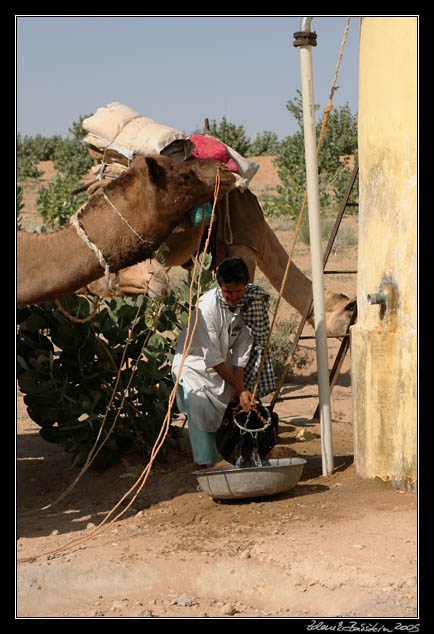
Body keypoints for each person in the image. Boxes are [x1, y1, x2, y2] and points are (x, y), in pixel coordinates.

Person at [172, 256, 276, 467]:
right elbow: (212, 357)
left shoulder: (248, 304)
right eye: (229, 292)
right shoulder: (206, 309)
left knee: (229, 410)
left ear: (245, 286)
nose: (233, 297)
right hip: (192, 366)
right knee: (200, 410)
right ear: (220, 286)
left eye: (238, 291)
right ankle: (205, 464)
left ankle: (228, 457)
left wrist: (239, 388)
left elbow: (241, 348)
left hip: (221, 365)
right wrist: (239, 387)